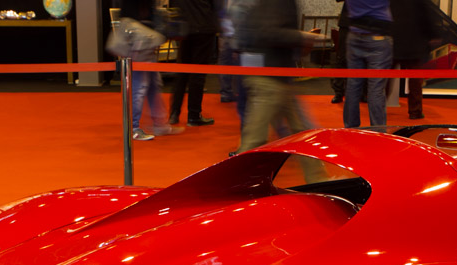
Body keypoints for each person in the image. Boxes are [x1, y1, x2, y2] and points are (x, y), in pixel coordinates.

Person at [235, 0, 323, 163]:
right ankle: (231, 184)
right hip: (271, 77)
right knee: (255, 138)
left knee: (301, 132)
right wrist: (303, 36)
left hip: (270, 74)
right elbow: (270, 32)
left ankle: (319, 178)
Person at [118, 0, 184, 141]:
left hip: (145, 40)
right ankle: (134, 128)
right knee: (139, 87)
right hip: (137, 42)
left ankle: (160, 124)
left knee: (154, 84)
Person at [343, 0, 393, 128]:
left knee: (353, 85)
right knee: (376, 89)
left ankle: (350, 128)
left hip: (354, 34)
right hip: (378, 35)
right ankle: (378, 131)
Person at [168, 0, 217, 126]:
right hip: (203, 26)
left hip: (185, 28)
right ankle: (194, 115)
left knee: (182, 73)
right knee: (198, 74)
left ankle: (174, 113)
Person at [389, 0, 433, 120]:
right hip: (414, 42)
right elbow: (427, 16)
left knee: (385, 79)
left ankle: (378, 107)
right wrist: (432, 35)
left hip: (394, 40)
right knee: (415, 81)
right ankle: (415, 112)